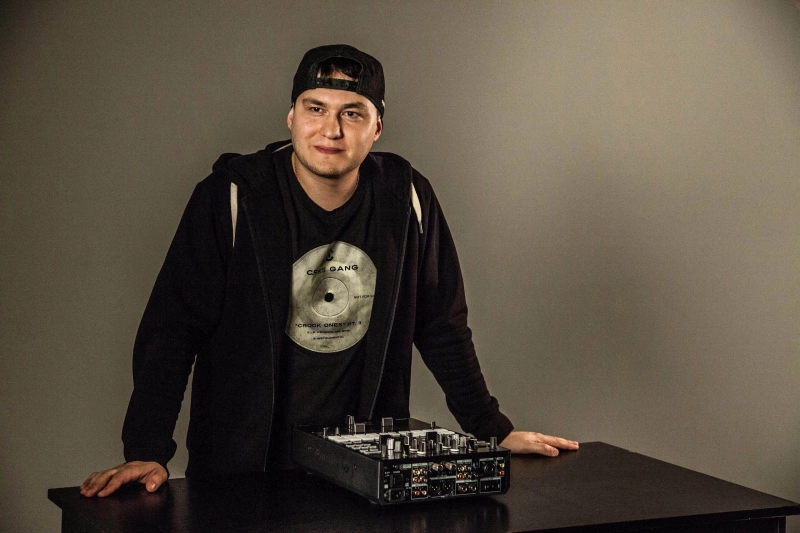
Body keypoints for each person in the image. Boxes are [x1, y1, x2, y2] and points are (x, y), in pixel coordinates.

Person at [81, 44, 578, 498]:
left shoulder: (405, 197)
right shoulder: (233, 197)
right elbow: (171, 331)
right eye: (315, 109)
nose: (331, 130)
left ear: (377, 127)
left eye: (352, 113)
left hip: (364, 472)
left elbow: (441, 324)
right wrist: (146, 448)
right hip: (241, 474)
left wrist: (491, 428)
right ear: (291, 116)